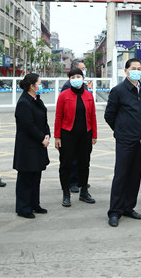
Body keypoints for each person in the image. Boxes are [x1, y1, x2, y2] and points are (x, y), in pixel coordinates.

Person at [104, 58, 141, 227]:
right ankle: (115, 211)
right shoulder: (119, 90)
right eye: (133, 68)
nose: (137, 71)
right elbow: (109, 115)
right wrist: (121, 130)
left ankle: (129, 207)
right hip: (125, 140)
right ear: (126, 71)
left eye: (139, 68)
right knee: (121, 175)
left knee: (135, 175)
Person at [54, 68, 97, 207]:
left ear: (83, 78)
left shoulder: (89, 95)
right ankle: (66, 193)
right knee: (65, 164)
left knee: (84, 164)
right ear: (69, 80)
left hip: (85, 134)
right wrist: (57, 137)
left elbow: (93, 116)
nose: (76, 79)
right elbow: (58, 116)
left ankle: (84, 191)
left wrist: (94, 135)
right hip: (67, 134)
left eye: (78, 76)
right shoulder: (64, 95)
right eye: (72, 77)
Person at [13, 73, 50, 219]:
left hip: (38, 144)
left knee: (36, 175)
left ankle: (35, 204)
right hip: (28, 146)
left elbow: (43, 120)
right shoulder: (24, 102)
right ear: (31, 86)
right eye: (39, 83)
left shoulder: (36, 100)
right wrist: (42, 138)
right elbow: (29, 125)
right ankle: (23, 207)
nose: (41, 86)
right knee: (26, 178)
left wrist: (47, 135)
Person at [61, 59, 89, 193]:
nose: (83, 71)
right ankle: (72, 182)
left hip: (84, 130)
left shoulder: (85, 87)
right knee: (71, 158)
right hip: (70, 130)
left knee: (82, 158)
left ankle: (80, 181)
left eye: (82, 71)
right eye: (82, 69)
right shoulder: (67, 87)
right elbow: (60, 114)